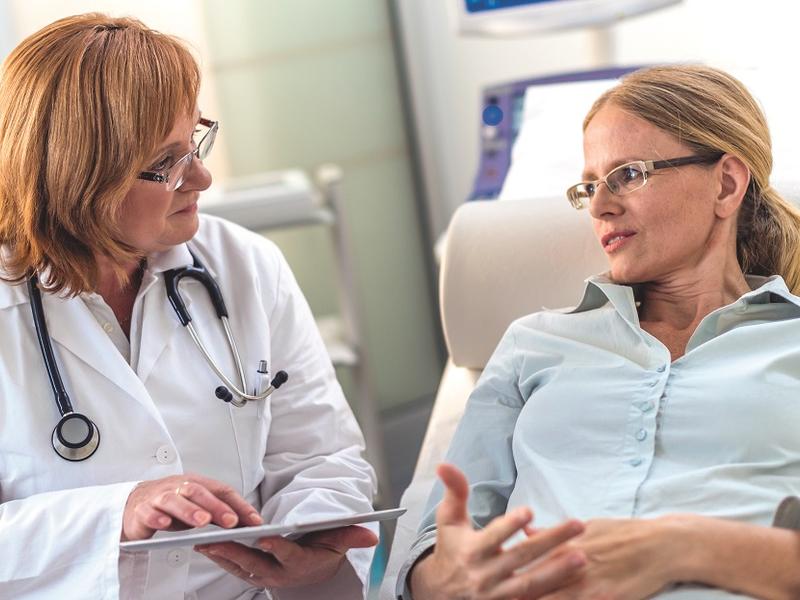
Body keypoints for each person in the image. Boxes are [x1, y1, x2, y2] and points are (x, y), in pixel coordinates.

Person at [0, 13, 378, 600]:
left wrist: (313, 547)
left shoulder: (245, 265)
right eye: (168, 162)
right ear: (79, 175)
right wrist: (116, 514)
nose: (201, 176)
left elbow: (319, 453)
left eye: (196, 140)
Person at [398, 65, 800, 599]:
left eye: (629, 174)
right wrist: (442, 578)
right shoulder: (533, 344)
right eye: (590, 185)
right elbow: (439, 546)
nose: (601, 205)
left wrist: (680, 545)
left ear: (725, 184)